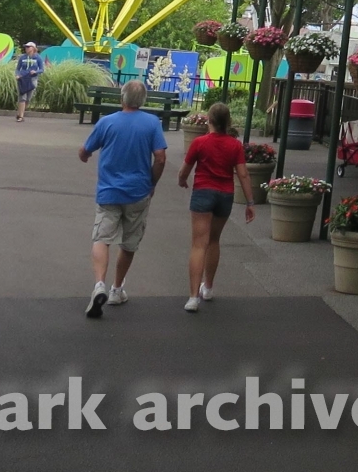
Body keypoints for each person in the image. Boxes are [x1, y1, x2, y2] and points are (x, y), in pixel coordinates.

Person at [79, 79, 167, 317]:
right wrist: (152, 183)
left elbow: (85, 150)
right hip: (138, 192)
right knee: (129, 242)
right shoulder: (152, 123)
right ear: (143, 100)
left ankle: (99, 284)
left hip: (109, 191)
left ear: (122, 98)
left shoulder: (107, 122)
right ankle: (117, 289)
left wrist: (84, 155)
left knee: (101, 237)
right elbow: (160, 157)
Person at [177, 102, 256, 312]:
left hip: (203, 193)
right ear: (227, 122)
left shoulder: (199, 142)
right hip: (225, 195)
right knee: (213, 240)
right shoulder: (234, 145)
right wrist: (250, 202)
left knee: (198, 244)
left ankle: (193, 297)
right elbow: (243, 174)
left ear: (209, 121)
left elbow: (185, 169)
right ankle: (208, 287)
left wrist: (182, 180)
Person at [13, 42, 44, 122]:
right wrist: (17, 75)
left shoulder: (38, 57)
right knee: (22, 98)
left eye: (28, 47)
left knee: (28, 99)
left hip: (32, 79)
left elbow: (42, 69)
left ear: (33, 48)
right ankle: (21, 116)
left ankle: (20, 113)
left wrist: (36, 72)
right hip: (22, 79)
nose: (26, 48)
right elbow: (18, 68)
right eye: (26, 47)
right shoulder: (22, 57)